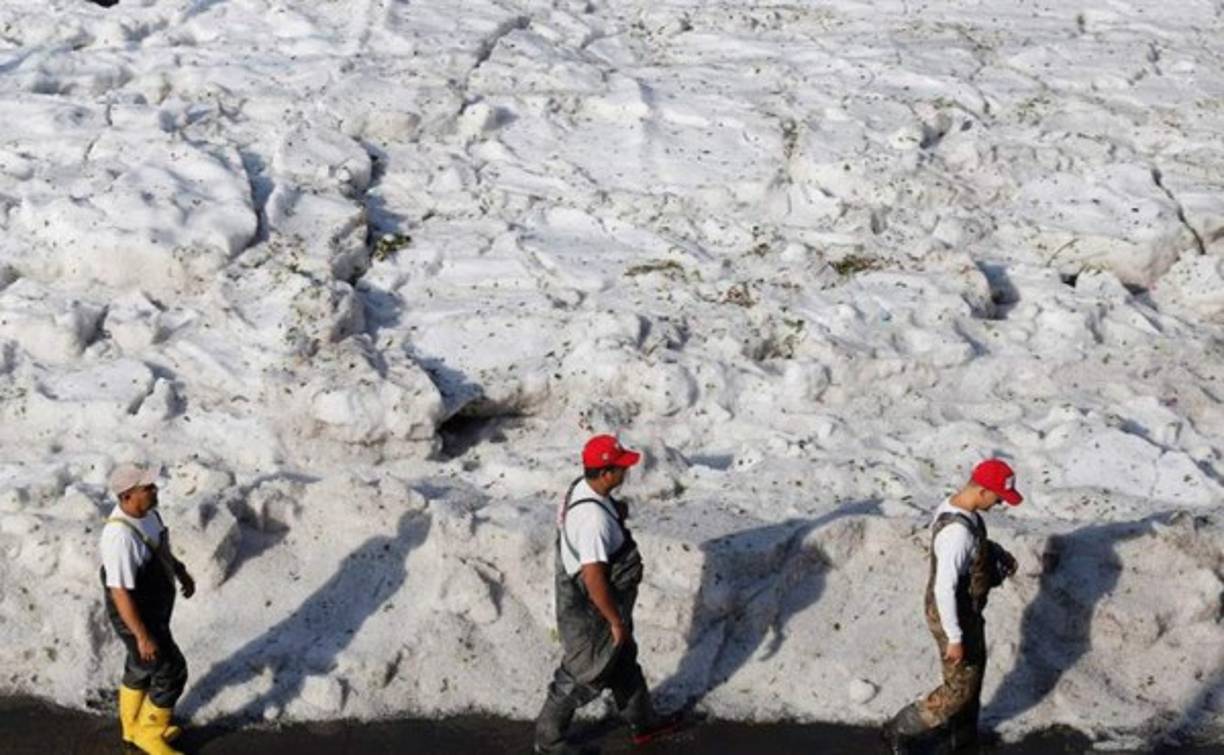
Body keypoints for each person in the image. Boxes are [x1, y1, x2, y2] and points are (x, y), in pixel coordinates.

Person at [534, 435, 682, 754]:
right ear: (605, 473)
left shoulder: (583, 489)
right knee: (582, 673)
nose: (626, 472)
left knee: (623, 660)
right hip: (592, 609)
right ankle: (548, 742)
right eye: (620, 468)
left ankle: (644, 723)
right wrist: (614, 620)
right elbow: (594, 578)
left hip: (604, 603)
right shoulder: (593, 521)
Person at [884, 459, 1021, 753]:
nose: (1000, 503)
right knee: (958, 689)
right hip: (952, 614)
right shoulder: (956, 534)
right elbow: (943, 588)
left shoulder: (961, 510)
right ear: (982, 491)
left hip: (967, 610)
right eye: (998, 497)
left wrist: (995, 554)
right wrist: (955, 638)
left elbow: (974, 548)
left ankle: (963, 738)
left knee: (974, 673)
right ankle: (901, 728)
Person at [99, 464, 195, 755]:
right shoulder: (119, 537)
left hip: (153, 608)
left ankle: (131, 728)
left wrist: (179, 570)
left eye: (153, 485)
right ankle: (148, 734)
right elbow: (120, 592)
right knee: (171, 671)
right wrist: (142, 636)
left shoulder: (149, 514)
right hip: (135, 615)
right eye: (147, 487)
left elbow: (159, 549)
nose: (155, 490)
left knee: (140, 665)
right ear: (127, 496)